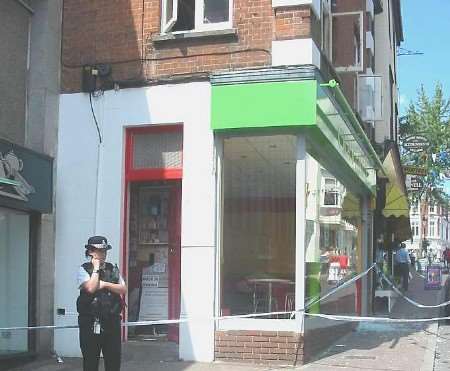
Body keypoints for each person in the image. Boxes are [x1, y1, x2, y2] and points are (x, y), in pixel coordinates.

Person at [77, 236, 127, 371]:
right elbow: (91, 287)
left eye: (104, 251)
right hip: (90, 323)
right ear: (91, 252)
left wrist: (104, 284)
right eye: (99, 251)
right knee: (91, 363)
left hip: (112, 322)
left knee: (113, 362)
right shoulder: (84, 270)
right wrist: (96, 268)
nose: (103, 254)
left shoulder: (113, 268)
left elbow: (123, 288)